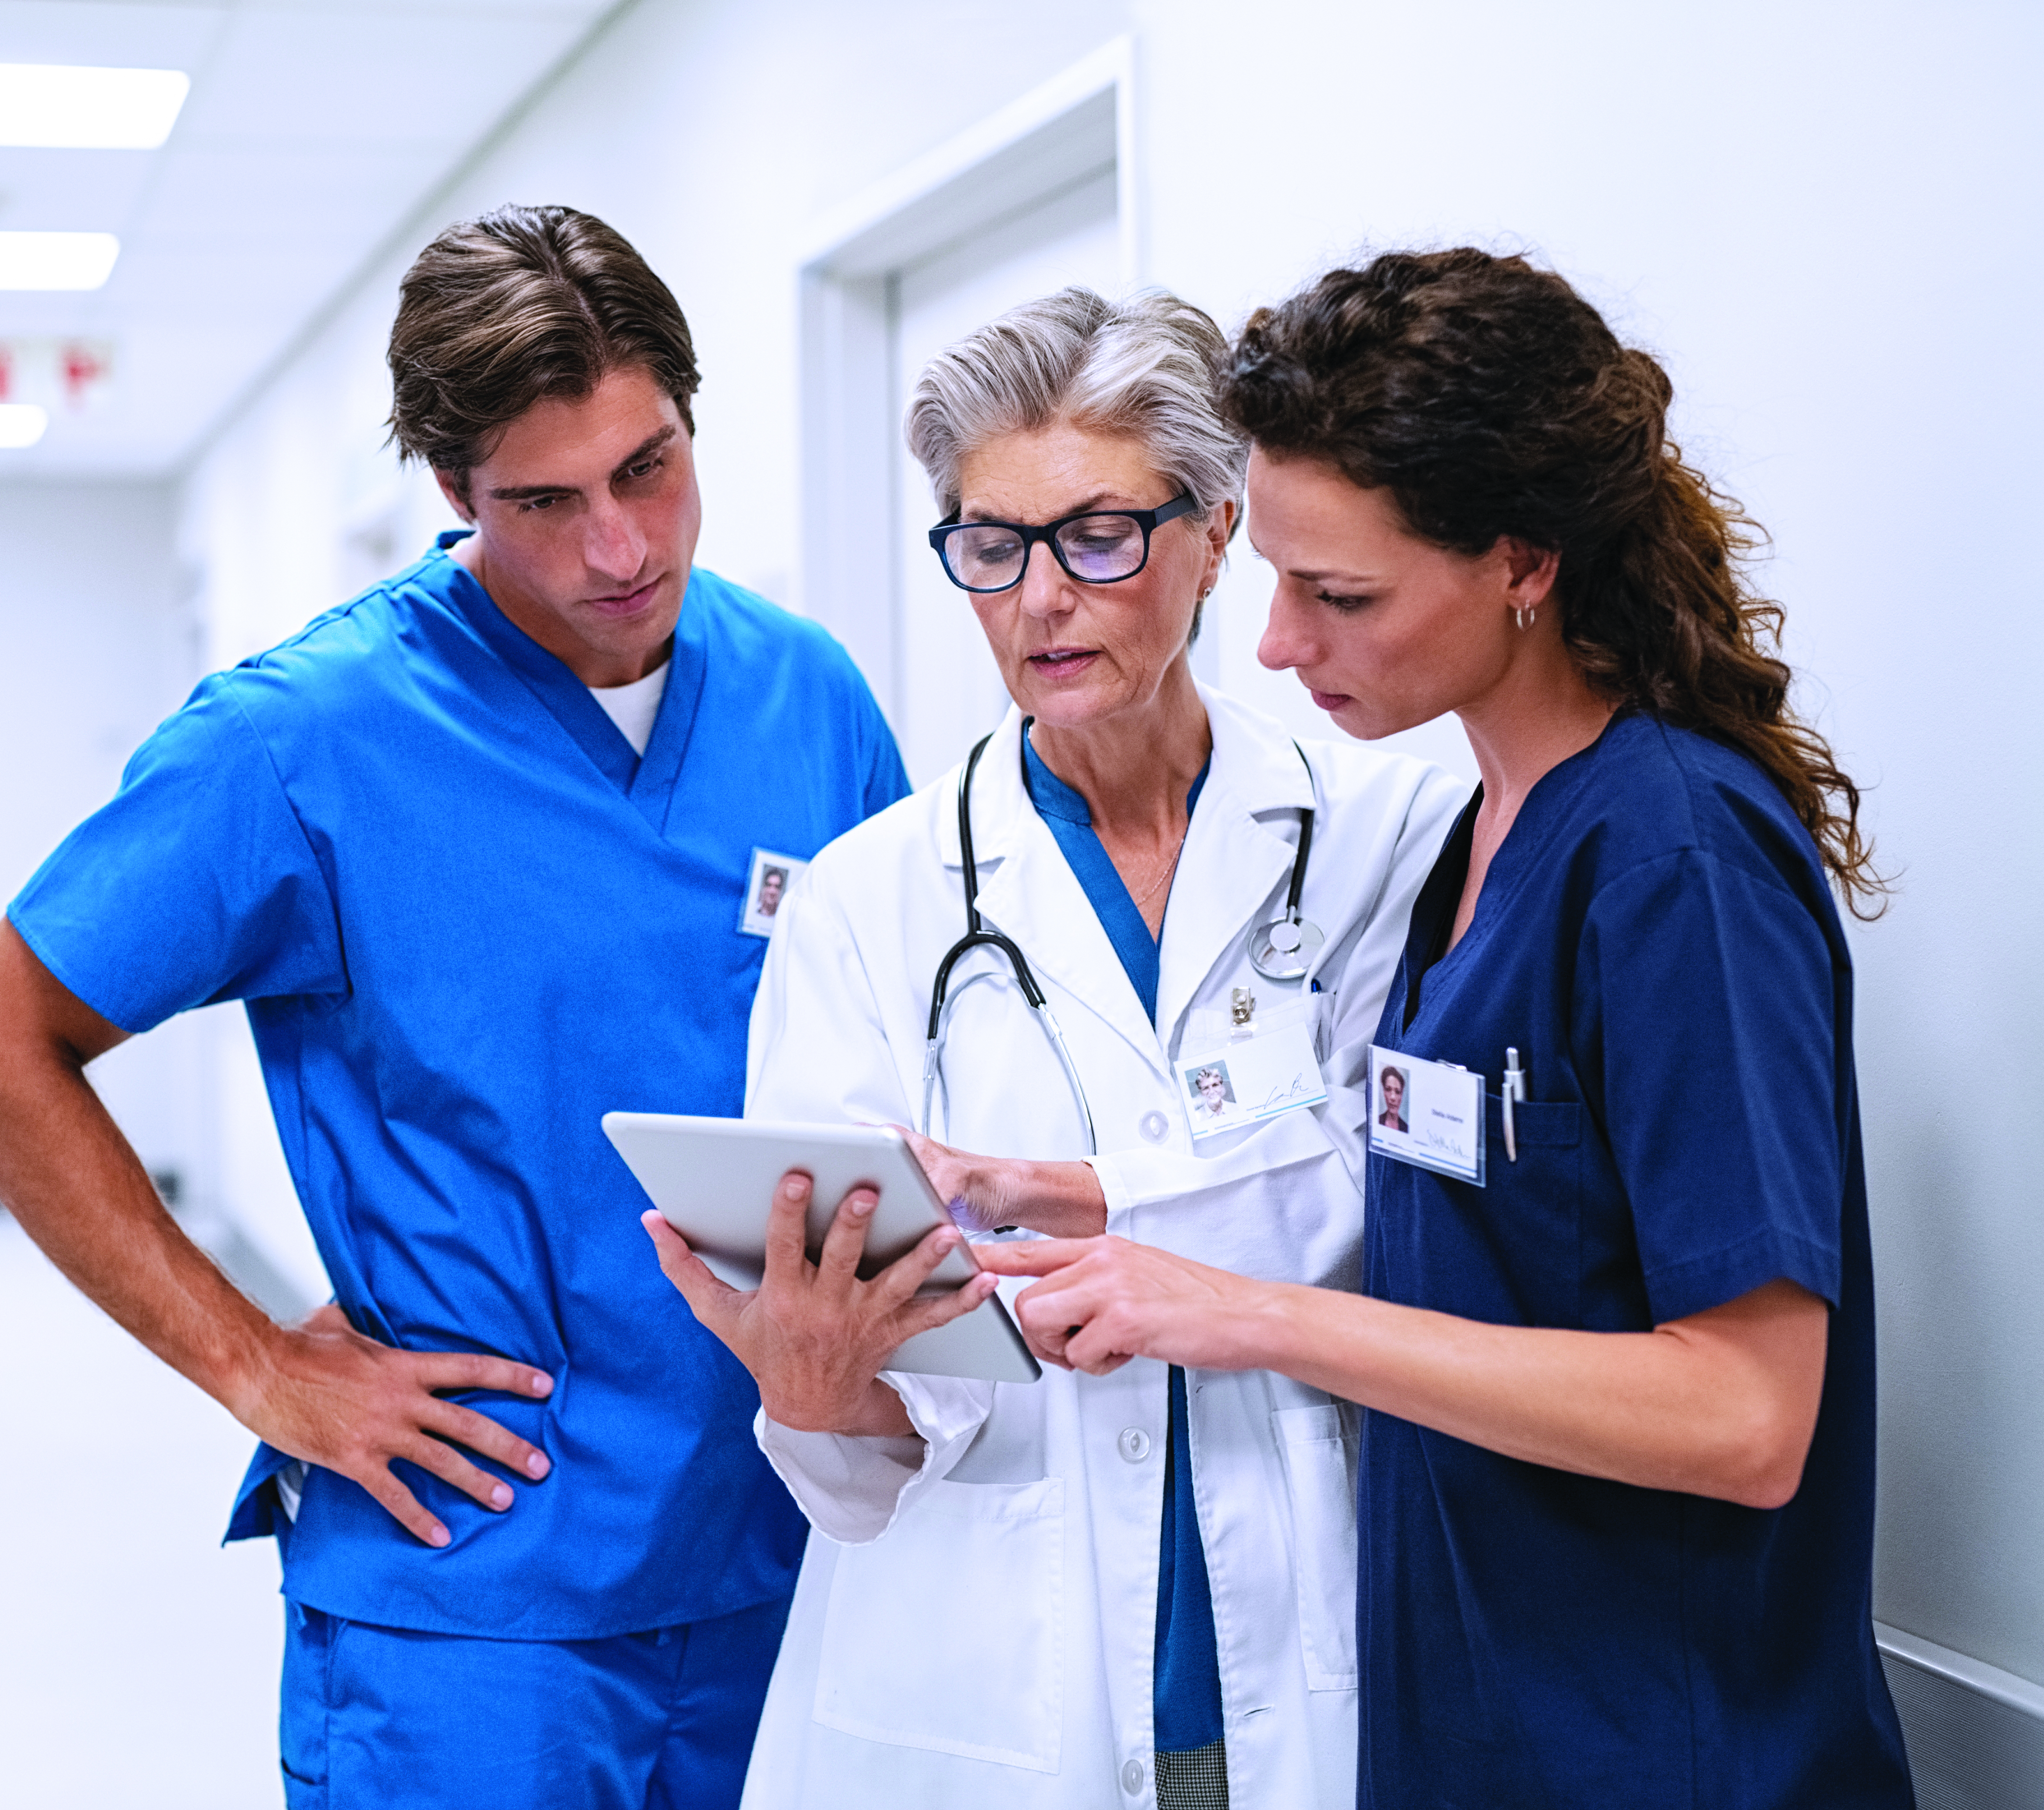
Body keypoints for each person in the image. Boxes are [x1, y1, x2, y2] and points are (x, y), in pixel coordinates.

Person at [0, 205, 908, 1810]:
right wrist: (252, 1362)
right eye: (545, 501)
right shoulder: (305, 741)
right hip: (475, 1597)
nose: (621, 545)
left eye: (649, 467)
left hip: (798, 1544)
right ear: (455, 491)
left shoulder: (807, 694)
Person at [974, 251, 1916, 1808]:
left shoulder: (1670, 860)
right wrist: (1122, 1211)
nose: (1275, 645)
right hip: (1477, 1745)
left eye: (1338, 595)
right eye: (1271, 578)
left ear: (1520, 564)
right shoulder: (1471, 840)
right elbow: (1470, 1225)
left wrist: (1247, 1318)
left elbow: (1748, 1414)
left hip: (1671, 1761)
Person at [643, 288, 1466, 1809]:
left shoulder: (1381, 840)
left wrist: (1101, 1203)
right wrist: (819, 1387)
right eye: (991, 543)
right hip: (994, 1668)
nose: (1038, 596)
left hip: (1308, 1621)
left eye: (1097, 535)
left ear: (1218, 528)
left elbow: (1396, 1215)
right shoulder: (867, 903)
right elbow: (863, 1427)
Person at [1375, 1066, 1406, 1132]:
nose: (1393, 1097)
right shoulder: (1376, 1121)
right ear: (1384, 1092)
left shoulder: (1406, 1128)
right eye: (1388, 1090)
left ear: (1402, 1095)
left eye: (1398, 1092)